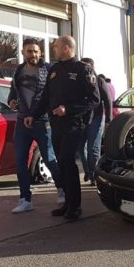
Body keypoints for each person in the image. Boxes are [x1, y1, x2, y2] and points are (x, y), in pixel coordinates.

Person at [37, 36, 100, 221]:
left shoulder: (83, 69)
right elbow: (46, 97)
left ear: (66, 48)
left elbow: (93, 99)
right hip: (56, 124)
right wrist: (33, 115)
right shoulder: (55, 70)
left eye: (56, 47)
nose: (53, 50)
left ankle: (75, 206)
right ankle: (67, 203)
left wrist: (69, 109)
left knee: (67, 160)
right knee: (62, 163)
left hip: (74, 124)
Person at [8, 38, 64, 213]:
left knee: (49, 158)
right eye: (29, 51)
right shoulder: (18, 70)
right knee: (20, 161)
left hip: (42, 121)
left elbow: (56, 93)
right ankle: (25, 199)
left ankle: (62, 189)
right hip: (22, 122)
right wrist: (11, 101)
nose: (32, 54)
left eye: (35, 51)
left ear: (40, 53)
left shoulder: (48, 70)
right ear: (23, 53)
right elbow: (13, 91)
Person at [77, 57, 113, 184]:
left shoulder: (99, 81)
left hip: (96, 118)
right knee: (80, 147)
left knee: (93, 148)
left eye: (86, 66)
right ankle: (88, 172)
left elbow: (108, 101)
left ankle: (95, 175)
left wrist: (108, 119)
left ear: (92, 67)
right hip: (81, 118)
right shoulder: (77, 81)